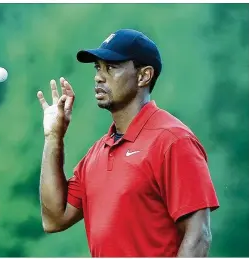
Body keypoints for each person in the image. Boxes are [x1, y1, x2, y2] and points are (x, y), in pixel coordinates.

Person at [37, 29, 219, 257]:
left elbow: (199, 236)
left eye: (111, 67)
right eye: (97, 68)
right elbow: (54, 219)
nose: (99, 77)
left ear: (144, 76)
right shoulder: (97, 152)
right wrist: (53, 137)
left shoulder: (173, 140)